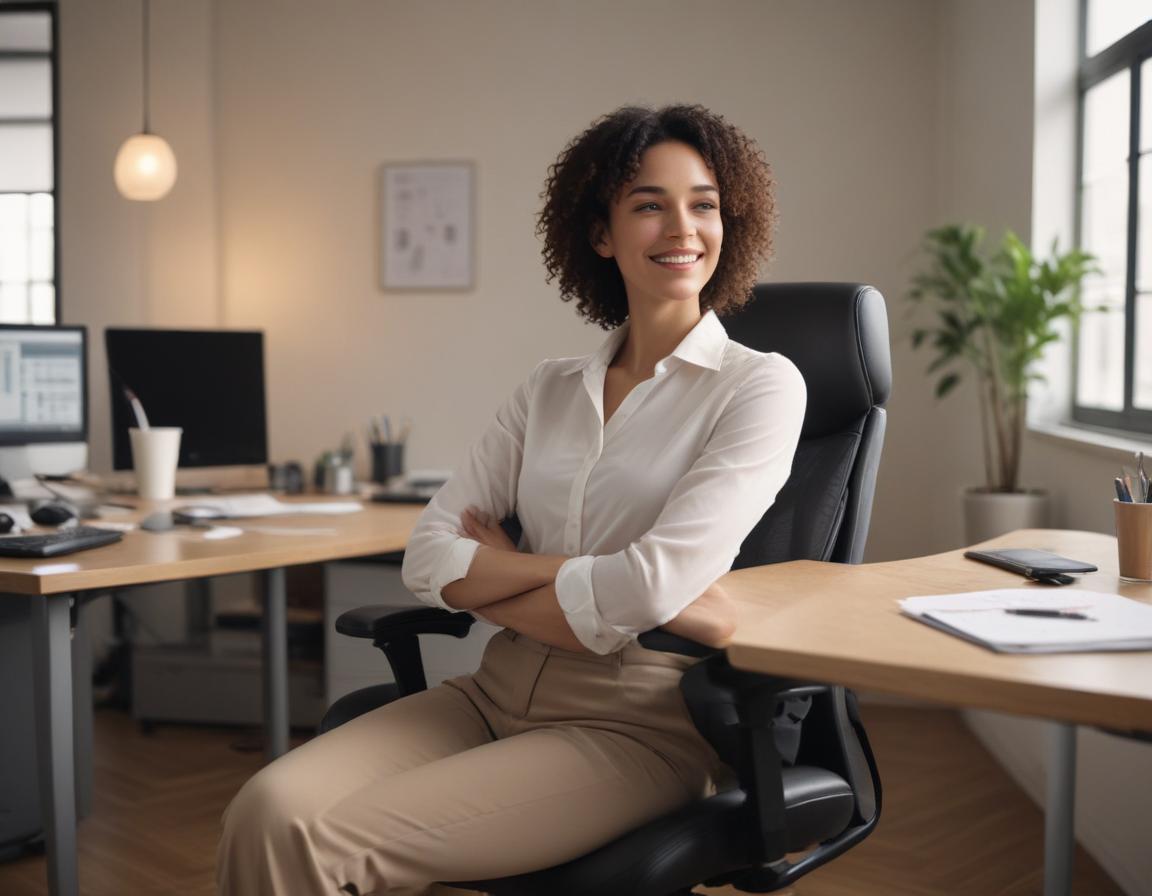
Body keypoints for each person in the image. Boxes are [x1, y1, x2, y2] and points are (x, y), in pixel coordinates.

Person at [216, 104, 805, 896]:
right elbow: (428, 558)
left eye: (703, 203)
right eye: (648, 204)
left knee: (332, 845)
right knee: (264, 809)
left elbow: (652, 587)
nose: (682, 227)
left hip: (635, 726)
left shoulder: (759, 386)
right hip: (493, 690)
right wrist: (579, 578)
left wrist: (506, 570)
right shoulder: (549, 388)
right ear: (601, 234)